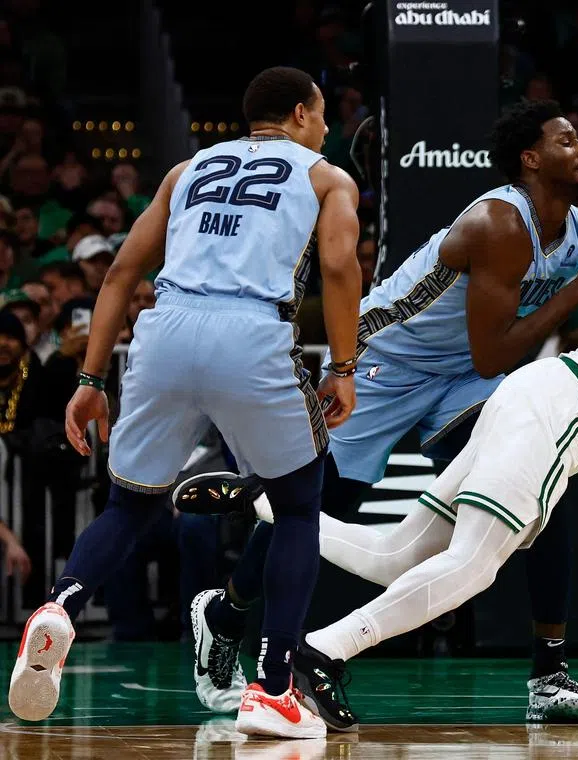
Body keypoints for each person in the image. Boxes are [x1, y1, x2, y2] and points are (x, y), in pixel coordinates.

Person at [183, 95, 578, 728]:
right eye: (567, 141)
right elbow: (495, 353)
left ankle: (549, 672)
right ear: (530, 159)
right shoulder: (499, 224)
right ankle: (232, 616)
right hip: (390, 358)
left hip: (486, 381)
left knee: (524, 513)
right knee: (335, 503)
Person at [7, 66, 362, 741]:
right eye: (319, 117)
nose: (322, 129)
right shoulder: (326, 177)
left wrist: (90, 379)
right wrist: (343, 367)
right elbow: (341, 267)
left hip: (166, 328)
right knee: (296, 507)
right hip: (252, 332)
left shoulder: (185, 171)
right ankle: (274, 689)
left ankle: (60, 606)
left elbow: (121, 272)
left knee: (129, 505)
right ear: (299, 113)